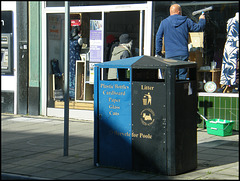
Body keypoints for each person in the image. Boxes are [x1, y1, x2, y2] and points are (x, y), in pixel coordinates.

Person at [155, 3, 206, 79]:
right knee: (182, 78)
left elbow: (158, 37)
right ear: (179, 12)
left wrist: (158, 52)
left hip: (170, 55)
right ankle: (181, 91)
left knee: (170, 78)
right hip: (183, 54)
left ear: (170, 12)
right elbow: (198, 28)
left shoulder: (164, 22)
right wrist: (202, 19)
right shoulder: (186, 21)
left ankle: (171, 91)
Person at [218, 12, 239, 93]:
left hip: (234, 45)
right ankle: (225, 83)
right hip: (230, 46)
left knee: (236, 65)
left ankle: (236, 83)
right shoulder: (230, 21)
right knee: (228, 64)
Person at [69, 26, 83, 100]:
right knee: (70, 75)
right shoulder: (70, 39)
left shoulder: (79, 39)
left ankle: (75, 93)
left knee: (76, 76)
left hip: (76, 60)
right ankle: (70, 93)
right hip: (69, 60)